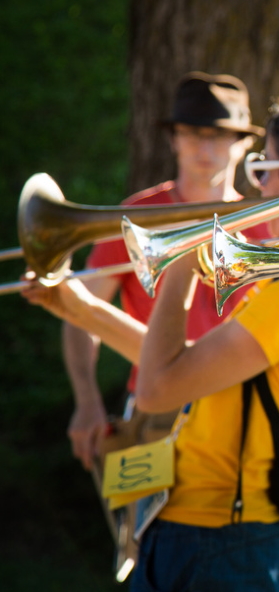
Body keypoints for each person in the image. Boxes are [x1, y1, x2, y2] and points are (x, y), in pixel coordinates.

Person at [24, 85, 279, 592]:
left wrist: (178, 261)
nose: (259, 193)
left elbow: (163, 384)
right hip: (185, 515)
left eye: (263, 174)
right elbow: (200, 374)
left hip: (223, 534)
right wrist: (81, 309)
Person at [62, 71, 266, 472]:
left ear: (243, 144)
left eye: (220, 134)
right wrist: (87, 401)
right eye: (191, 132)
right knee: (146, 533)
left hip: (246, 408)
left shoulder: (266, 222)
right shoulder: (138, 216)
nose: (204, 146)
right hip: (157, 404)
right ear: (173, 138)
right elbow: (78, 309)